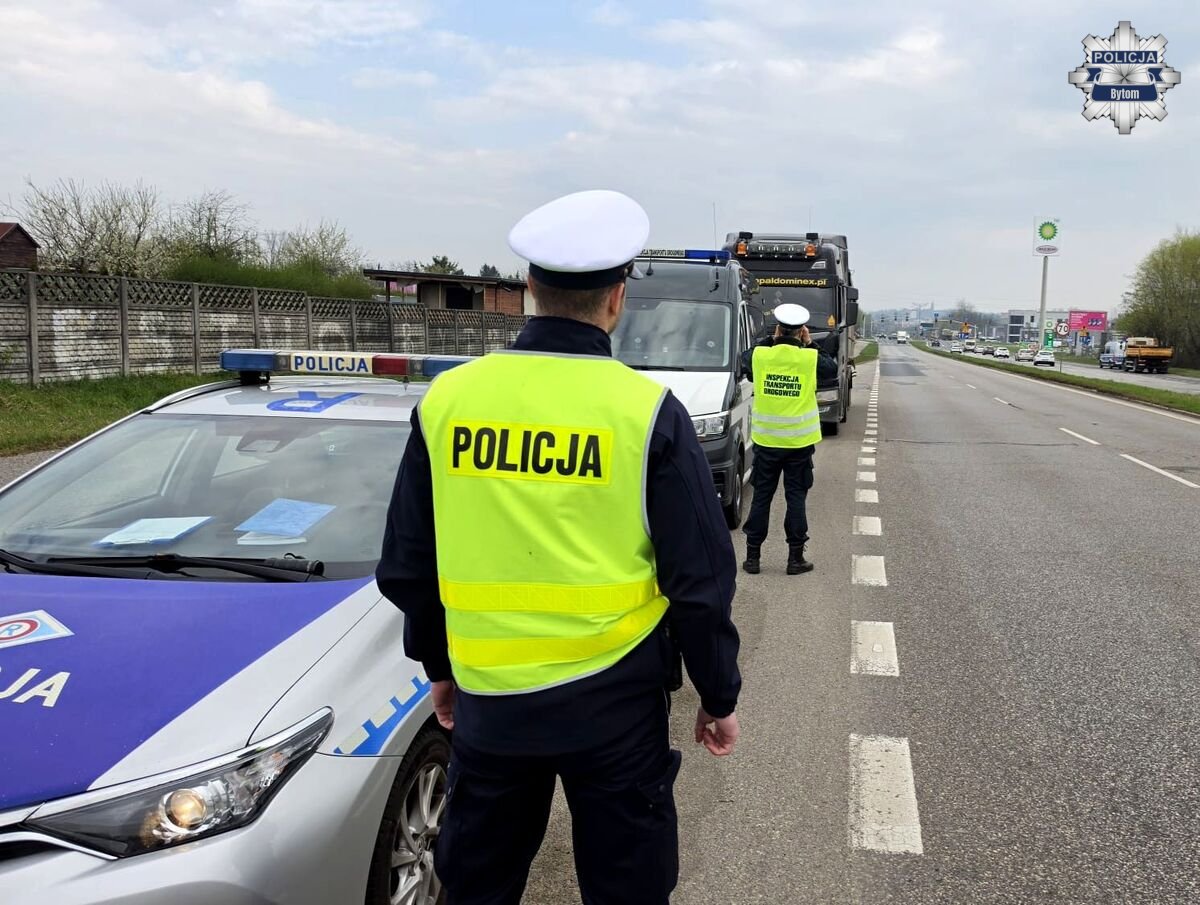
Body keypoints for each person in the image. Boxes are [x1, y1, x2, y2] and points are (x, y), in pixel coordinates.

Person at [376, 189, 742, 905]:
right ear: (617, 298)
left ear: (526, 291)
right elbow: (700, 578)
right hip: (616, 706)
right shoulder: (647, 413)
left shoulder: (449, 400)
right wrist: (717, 692)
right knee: (628, 891)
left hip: (491, 709)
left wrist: (439, 665)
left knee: (477, 889)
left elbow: (410, 562)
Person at [740, 303, 837, 575]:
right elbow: (830, 369)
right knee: (796, 498)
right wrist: (810, 344)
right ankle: (795, 559)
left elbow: (744, 359)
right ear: (802, 331)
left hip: (767, 443)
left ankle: (752, 558)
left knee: (761, 498)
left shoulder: (761, 355)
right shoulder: (809, 358)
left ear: (778, 330)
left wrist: (770, 341)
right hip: (798, 444)